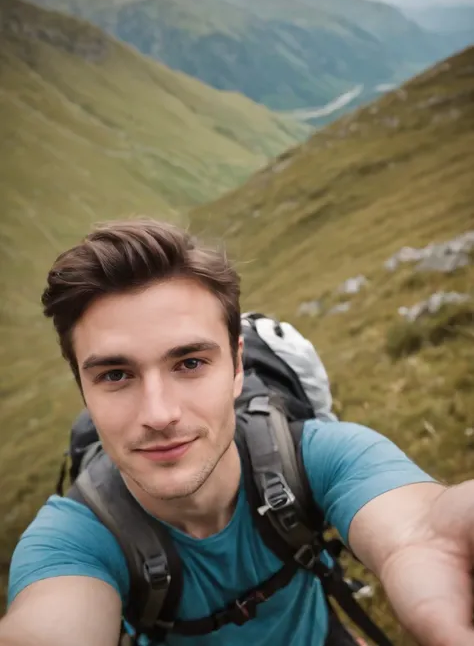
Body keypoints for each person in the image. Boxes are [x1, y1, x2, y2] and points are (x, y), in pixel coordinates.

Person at [1, 218, 473, 646]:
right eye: (115, 375)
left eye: (190, 363)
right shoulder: (71, 540)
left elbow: (414, 522)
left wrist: (428, 536)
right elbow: (49, 624)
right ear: (84, 388)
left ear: (236, 367)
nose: (160, 414)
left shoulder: (318, 455)